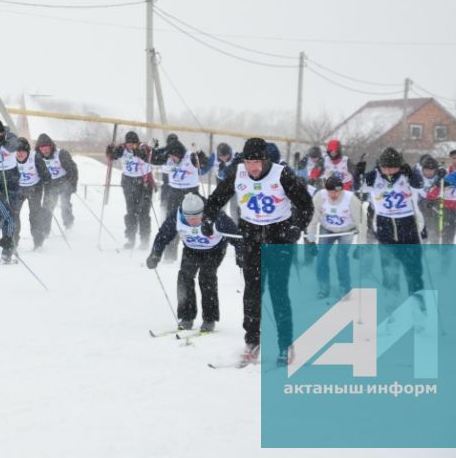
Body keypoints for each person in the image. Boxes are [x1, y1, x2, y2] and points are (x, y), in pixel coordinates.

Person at [203, 137, 314, 367]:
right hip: (251, 238)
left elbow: (305, 205)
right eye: (249, 162)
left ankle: (284, 345)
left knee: (278, 293)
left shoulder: (281, 174)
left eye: (257, 162)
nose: (253, 167)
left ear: (266, 160)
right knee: (252, 293)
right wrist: (207, 218)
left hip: (279, 238)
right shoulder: (237, 173)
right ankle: (252, 342)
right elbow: (217, 199)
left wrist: (296, 227)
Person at [146, 193, 238, 332]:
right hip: (191, 249)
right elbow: (163, 235)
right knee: (184, 277)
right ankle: (186, 317)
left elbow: (236, 236)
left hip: (215, 249)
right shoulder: (176, 216)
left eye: (196, 217)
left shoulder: (216, 216)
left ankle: (209, 319)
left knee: (206, 277)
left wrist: (242, 254)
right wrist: (155, 254)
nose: (193, 221)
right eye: (189, 218)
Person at [355, 148, 426, 301]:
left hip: (407, 224)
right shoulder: (374, 177)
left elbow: (419, 184)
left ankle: (417, 301)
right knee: (389, 269)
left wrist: (412, 173)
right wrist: (358, 173)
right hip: (385, 225)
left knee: (413, 269)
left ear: (399, 166)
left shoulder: (406, 175)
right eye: (384, 166)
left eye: (392, 167)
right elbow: (357, 187)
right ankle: (392, 302)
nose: (388, 170)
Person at [308, 176, 364, 299]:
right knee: (321, 256)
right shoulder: (320, 197)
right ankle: (324, 286)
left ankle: (345, 288)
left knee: (340, 257)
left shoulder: (351, 199)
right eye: (330, 191)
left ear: (341, 190)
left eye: (336, 192)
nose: (333, 195)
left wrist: (361, 245)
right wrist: (310, 241)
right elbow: (312, 220)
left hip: (346, 230)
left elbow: (361, 223)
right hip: (327, 229)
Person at [158, 139, 208, 262]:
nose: (172, 159)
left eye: (173, 156)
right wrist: (150, 150)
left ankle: (196, 253)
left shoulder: (190, 157)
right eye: (170, 156)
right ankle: (170, 255)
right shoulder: (169, 158)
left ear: (179, 154)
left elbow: (204, 163)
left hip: (190, 193)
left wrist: (200, 153)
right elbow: (153, 159)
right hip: (174, 193)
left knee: (193, 223)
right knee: (173, 223)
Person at [106, 132, 154, 250]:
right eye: (129, 144)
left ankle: (144, 240)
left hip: (144, 182)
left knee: (143, 212)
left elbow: (149, 155)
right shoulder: (122, 149)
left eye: (133, 144)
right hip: (128, 182)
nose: (131, 146)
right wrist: (110, 151)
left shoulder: (143, 147)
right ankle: (130, 238)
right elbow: (112, 156)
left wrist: (140, 152)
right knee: (131, 211)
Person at [36, 133, 79, 231]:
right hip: (50, 184)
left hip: (64, 181)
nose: (45, 150)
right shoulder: (38, 157)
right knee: (47, 206)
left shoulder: (61, 153)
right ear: (39, 149)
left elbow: (72, 169)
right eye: (42, 148)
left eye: (47, 147)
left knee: (65, 204)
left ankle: (69, 224)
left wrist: (72, 184)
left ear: (51, 147)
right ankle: (45, 231)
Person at [15, 137, 50, 253]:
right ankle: (13, 242)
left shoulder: (35, 157)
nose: (19, 154)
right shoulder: (10, 158)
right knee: (13, 214)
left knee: (35, 215)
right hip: (18, 189)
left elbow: (46, 175)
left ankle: (38, 243)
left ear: (27, 152)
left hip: (34, 188)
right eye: (17, 151)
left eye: (22, 151)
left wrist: (47, 185)